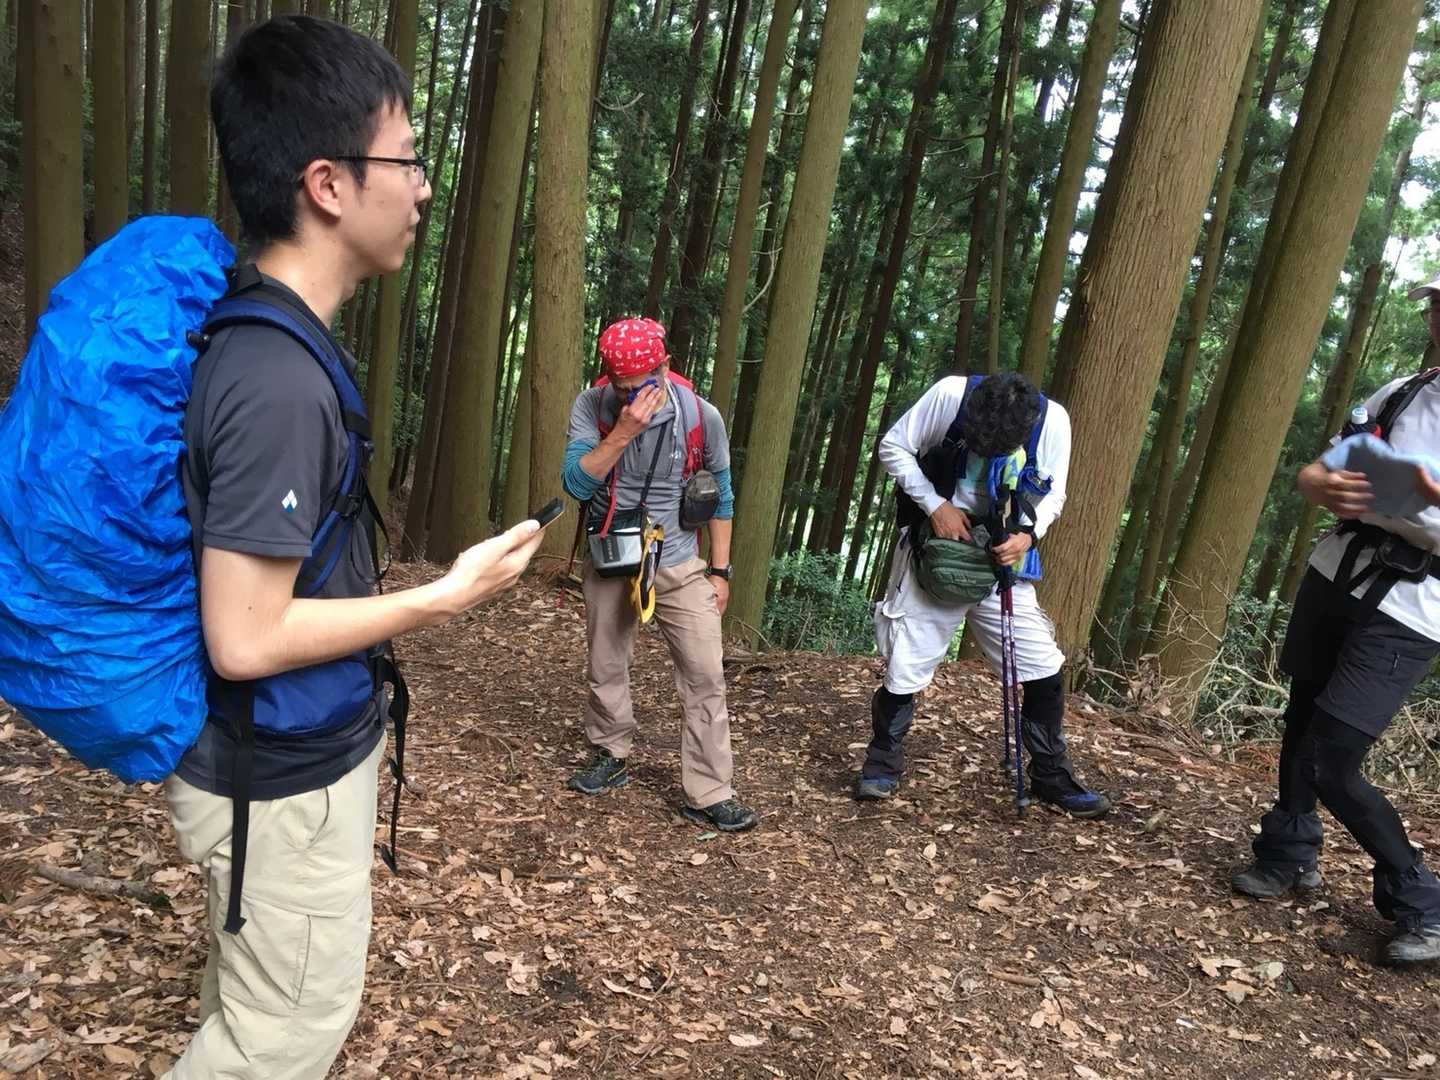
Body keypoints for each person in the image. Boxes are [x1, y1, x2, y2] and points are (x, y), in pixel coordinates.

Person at [164, 16, 545, 1078]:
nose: (423, 189)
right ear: (328, 184)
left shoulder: (269, 337)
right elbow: (245, 637)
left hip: (275, 765)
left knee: (253, 1014)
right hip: (276, 780)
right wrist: (441, 598)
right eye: (407, 161)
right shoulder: (278, 380)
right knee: (279, 1039)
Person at [1230, 277, 1440, 966]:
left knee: (1334, 756)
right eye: (1438, 304)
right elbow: (1323, 467)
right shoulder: (1404, 391)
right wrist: (1319, 483)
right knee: (1302, 717)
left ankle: (1421, 897)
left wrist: (1424, 499)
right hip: (1337, 571)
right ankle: (1288, 849)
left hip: (1412, 606)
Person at [858, 371, 1110, 817]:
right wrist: (936, 506)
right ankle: (881, 764)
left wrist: (1028, 535)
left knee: (1043, 667)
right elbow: (894, 446)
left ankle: (1050, 775)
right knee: (907, 662)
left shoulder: (1052, 420)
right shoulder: (950, 395)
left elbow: (1054, 492)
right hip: (936, 550)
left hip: (1002, 559)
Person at [560, 317, 758, 832]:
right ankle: (610, 751)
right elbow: (576, 484)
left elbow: (722, 496)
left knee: (705, 672)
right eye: (621, 387)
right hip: (611, 553)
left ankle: (710, 791)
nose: (631, 397)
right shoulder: (592, 406)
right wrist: (624, 430)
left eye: (640, 386)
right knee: (606, 661)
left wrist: (720, 571)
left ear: (666, 368)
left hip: (679, 560)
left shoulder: (701, 416)